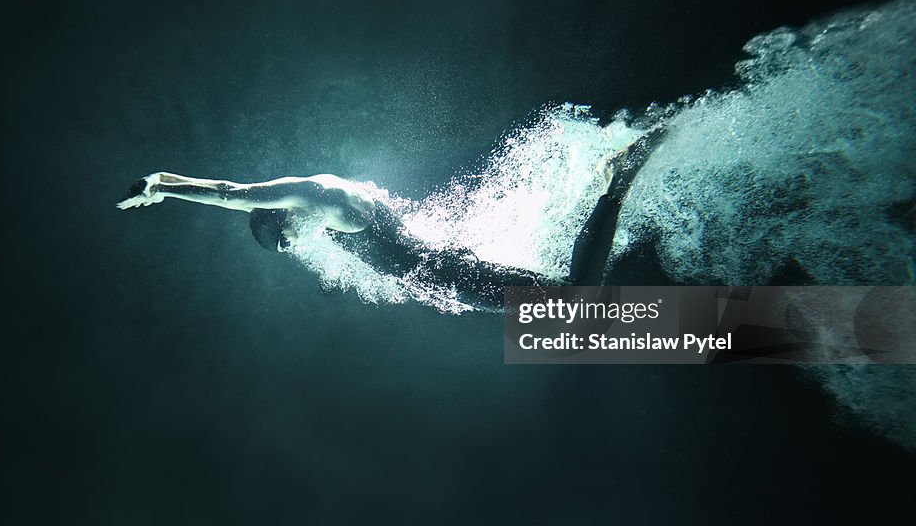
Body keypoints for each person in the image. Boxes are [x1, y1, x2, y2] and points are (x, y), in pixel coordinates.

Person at [117, 128, 664, 310]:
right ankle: (728, 322)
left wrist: (165, 187)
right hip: (452, 273)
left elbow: (234, 194)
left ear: (282, 219)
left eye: (285, 245)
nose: (296, 251)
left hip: (452, 272)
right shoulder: (334, 222)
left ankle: (620, 174)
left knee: (578, 306)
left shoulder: (325, 199)